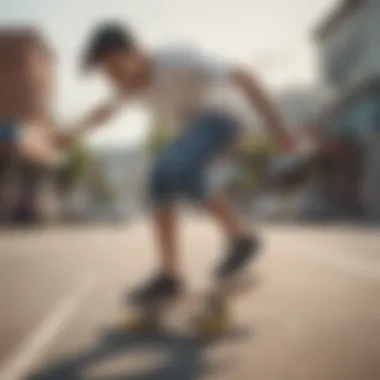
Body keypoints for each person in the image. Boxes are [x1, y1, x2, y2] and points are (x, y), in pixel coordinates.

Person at [71, 21, 294, 305]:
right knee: (159, 180)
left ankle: (241, 239)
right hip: (194, 131)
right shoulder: (129, 86)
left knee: (174, 165)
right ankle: (170, 277)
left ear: (137, 52)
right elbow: (104, 112)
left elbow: (244, 76)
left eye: (116, 69)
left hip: (226, 117)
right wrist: (72, 134)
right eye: (107, 75)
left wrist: (279, 127)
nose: (115, 80)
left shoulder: (179, 59)